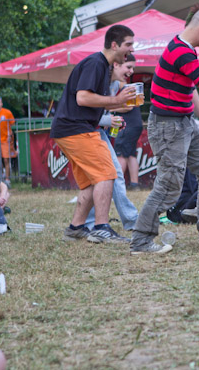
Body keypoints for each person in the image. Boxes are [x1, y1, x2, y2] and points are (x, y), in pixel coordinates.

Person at [130, 1, 199, 255]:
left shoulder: (185, 50)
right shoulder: (180, 51)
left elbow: (190, 89)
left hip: (184, 123)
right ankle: (140, 241)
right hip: (167, 127)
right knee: (169, 185)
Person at [50, 25, 136, 244]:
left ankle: (76, 228)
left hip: (71, 129)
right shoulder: (96, 63)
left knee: (90, 182)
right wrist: (116, 100)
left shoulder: (101, 66)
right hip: (76, 129)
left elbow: (90, 102)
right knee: (107, 174)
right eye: (128, 44)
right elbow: (83, 98)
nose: (131, 49)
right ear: (114, 44)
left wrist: (117, 105)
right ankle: (101, 228)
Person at [84, 56, 140, 232]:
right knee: (105, 176)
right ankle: (95, 223)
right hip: (83, 132)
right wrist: (109, 119)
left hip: (95, 131)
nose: (132, 72)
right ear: (116, 65)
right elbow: (86, 113)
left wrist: (111, 119)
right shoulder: (99, 80)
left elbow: (102, 112)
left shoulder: (115, 84)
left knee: (105, 176)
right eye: (129, 67)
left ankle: (90, 224)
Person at [113, 56, 144, 190]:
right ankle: (134, 184)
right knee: (130, 153)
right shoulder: (126, 85)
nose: (131, 71)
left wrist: (106, 107)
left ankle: (118, 185)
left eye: (132, 68)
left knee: (120, 153)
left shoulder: (122, 84)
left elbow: (128, 106)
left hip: (127, 124)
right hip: (135, 124)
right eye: (129, 67)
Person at [0, 97, 16, 183]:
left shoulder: (7, 112)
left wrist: (10, 135)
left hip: (5, 139)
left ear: (2, 104)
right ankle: (2, 173)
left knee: (6, 159)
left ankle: (7, 179)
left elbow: (13, 125)